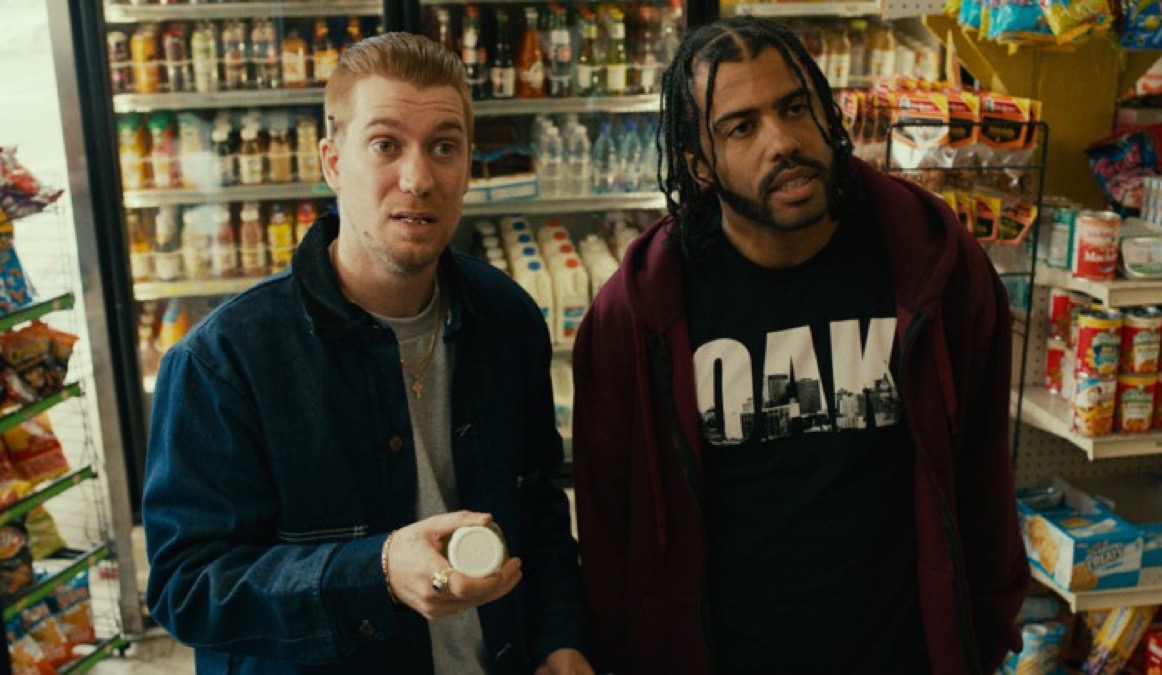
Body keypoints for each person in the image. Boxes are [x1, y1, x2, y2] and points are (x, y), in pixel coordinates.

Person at [571, 16, 1029, 675]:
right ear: (700, 161)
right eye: (741, 126)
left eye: (795, 107)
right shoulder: (640, 313)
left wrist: (984, 629)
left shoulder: (930, 262)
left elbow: (984, 468)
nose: (782, 142)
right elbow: (613, 526)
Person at [143, 32, 591, 675]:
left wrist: (560, 639)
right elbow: (187, 587)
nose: (419, 178)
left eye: (444, 147)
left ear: (467, 166)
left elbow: (539, 508)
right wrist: (375, 572)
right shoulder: (225, 360)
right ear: (332, 161)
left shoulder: (507, 318)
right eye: (385, 145)